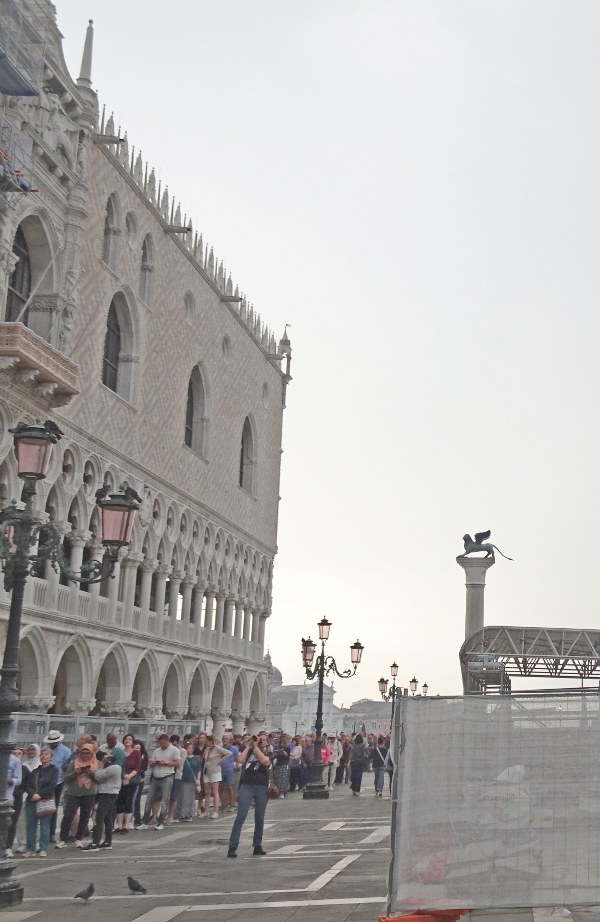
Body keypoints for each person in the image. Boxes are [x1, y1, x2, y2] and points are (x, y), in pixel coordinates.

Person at [227, 732, 272, 858]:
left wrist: (257, 747)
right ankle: (232, 846)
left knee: (259, 817)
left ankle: (257, 845)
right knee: (240, 816)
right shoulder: (248, 752)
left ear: (267, 742)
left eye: (263, 740)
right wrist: (249, 746)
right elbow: (239, 760)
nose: (260, 741)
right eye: (259, 739)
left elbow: (265, 761)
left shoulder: (269, 752)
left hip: (262, 787)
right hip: (247, 785)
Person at [55, 742, 98, 848]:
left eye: (87, 753)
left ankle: (79, 838)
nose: (85, 755)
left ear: (92, 754)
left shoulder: (96, 764)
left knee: (85, 816)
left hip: (89, 792)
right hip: (74, 792)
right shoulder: (74, 763)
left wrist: (91, 773)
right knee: (68, 815)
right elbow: (65, 778)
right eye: (83, 753)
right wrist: (76, 773)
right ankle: (63, 839)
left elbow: (100, 778)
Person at [138, 734, 180, 830]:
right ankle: (144, 821)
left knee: (164, 800)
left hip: (167, 776)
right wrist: (153, 763)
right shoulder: (157, 750)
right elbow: (151, 763)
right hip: (156, 777)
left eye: (163, 743)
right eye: (160, 743)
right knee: (149, 800)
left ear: (167, 741)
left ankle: (161, 822)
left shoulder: (174, 750)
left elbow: (178, 763)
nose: (162, 745)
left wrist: (166, 763)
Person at [22, 747, 58, 858]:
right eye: (42, 754)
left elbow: (52, 785)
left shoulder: (54, 770)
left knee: (45, 826)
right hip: (32, 800)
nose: (44, 756)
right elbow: (28, 785)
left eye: (46, 754)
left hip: (45, 800)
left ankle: (43, 848)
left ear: (51, 757)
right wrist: (33, 794)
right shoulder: (35, 771)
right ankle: (31, 848)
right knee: (31, 826)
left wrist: (39, 795)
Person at [82, 750, 122, 850]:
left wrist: (98, 769)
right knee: (107, 818)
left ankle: (95, 843)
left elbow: (98, 776)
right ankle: (108, 841)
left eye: (110, 756)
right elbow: (100, 776)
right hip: (106, 793)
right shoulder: (109, 767)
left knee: (99, 818)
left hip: (108, 793)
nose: (109, 757)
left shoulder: (115, 767)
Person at [43, 730, 71, 844]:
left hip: (58, 782)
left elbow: (67, 767)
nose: (52, 743)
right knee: (43, 808)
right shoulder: (44, 749)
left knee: (53, 808)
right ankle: (43, 832)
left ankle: (51, 833)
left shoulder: (66, 751)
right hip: (44, 781)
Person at [114, 734, 141, 833]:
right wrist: (123, 777)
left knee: (128, 801)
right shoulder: (120, 753)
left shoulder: (136, 753)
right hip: (120, 780)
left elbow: (137, 768)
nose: (127, 741)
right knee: (120, 802)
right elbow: (117, 765)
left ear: (132, 742)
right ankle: (119, 825)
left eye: (129, 739)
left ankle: (126, 825)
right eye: (126, 739)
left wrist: (129, 776)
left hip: (132, 780)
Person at [202, 735, 231, 819]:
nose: (205, 742)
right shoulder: (207, 749)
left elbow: (228, 753)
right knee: (207, 791)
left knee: (215, 791)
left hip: (215, 771)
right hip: (206, 771)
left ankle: (215, 811)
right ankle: (206, 811)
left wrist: (219, 761)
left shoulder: (217, 748)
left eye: (207, 741)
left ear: (211, 741)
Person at [7, 747, 27, 857]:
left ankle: (8, 847)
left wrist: (10, 781)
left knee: (11, 823)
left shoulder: (15, 761)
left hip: (10, 796)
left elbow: (18, 780)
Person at [179, 742, 201, 821]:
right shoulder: (183, 758)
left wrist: (198, 779)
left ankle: (189, 814)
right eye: (189, 748)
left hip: (192, 780)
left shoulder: (195, 758)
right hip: (183, 779)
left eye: (192, 748)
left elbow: (199, 770)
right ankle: (182, 814)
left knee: (191, 798)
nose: (190, 750)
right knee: (183, 797)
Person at [219, 734, 239, 812]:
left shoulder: (233, 748)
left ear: (230, 739)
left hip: (229, 770)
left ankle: (232, 804)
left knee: (230, 787)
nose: (224, 740)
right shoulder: (220, 748)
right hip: (220, 770)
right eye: (223, 738)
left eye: (226, 738)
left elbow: (237, 758)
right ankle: (223, 804)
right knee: (221, 788)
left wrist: (236, 766)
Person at [132, 740, 148, 828]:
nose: (137, 750)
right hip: (131, 780)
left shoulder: (143, 756)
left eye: (139, 748)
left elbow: (143, 768)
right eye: (135, 748)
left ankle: (137, 820)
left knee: (137, 800)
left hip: (139, 780)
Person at [272, 733, 290, 798]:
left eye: (283, 742)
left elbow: (287, 756)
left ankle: (282, 792)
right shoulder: (277, 747)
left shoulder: (287, 748)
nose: (282, 744)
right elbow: (274, 755)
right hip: (278, 764)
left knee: (283, 779)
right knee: (277, 778)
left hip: (284, 765)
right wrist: (277, 752)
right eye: (281, 742)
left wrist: (283, 751)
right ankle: (277, 791)